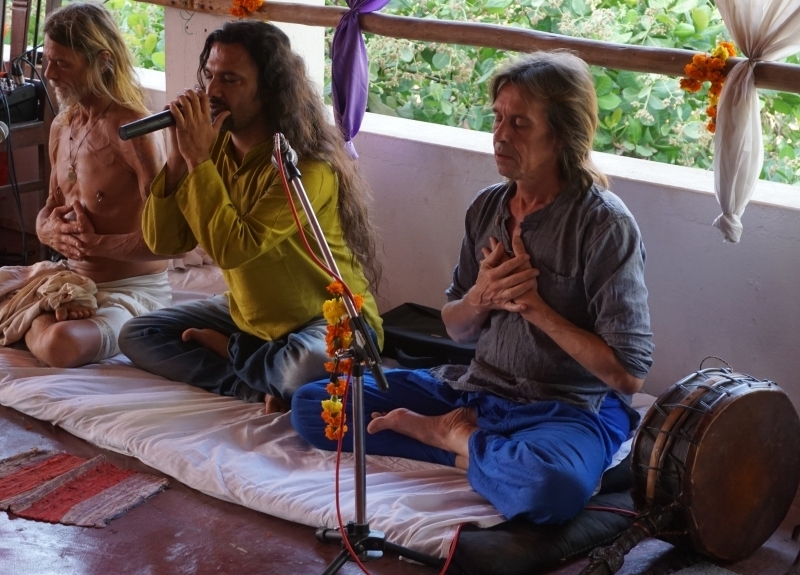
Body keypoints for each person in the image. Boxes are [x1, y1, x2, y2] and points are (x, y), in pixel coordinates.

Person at [292, 51, 654, 525]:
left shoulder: (605, 225)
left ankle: (458, 441)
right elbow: (456, 329)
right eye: (498, 118)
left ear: (563, 135)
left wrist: (536, 309)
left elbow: (629, 376)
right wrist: (481, 297)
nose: (500, 135)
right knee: (314, 405)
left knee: (552, 488)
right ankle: (469, 447)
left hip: (563, 408)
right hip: (475, 390)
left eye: (520, 123)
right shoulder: (488, 207)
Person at [118, 21, 383, 414]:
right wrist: (177, 157)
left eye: (230, 79)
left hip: (324, 320)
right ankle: (253, 387)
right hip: (249, 317)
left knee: (302, 369)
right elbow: (164, 243)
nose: (211, 92)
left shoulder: (306, 167)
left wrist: (198, 159)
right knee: (139, 333)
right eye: (208, 75)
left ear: (268, 91)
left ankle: (233, 352)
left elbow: (234, 249)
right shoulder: (215, 150)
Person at [3, 2, 170, 368]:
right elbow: (50, 207)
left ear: (102, 60)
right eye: (47, 60)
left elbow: (168, 244)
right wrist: (47, 231)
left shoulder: (134, 131)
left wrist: (97, 245)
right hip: (68, 280)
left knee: (60, 346)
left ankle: (36, 319)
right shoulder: (64, 126)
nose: (48, 74)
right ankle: (47, 310)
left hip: (131, 292)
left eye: (62, 63)